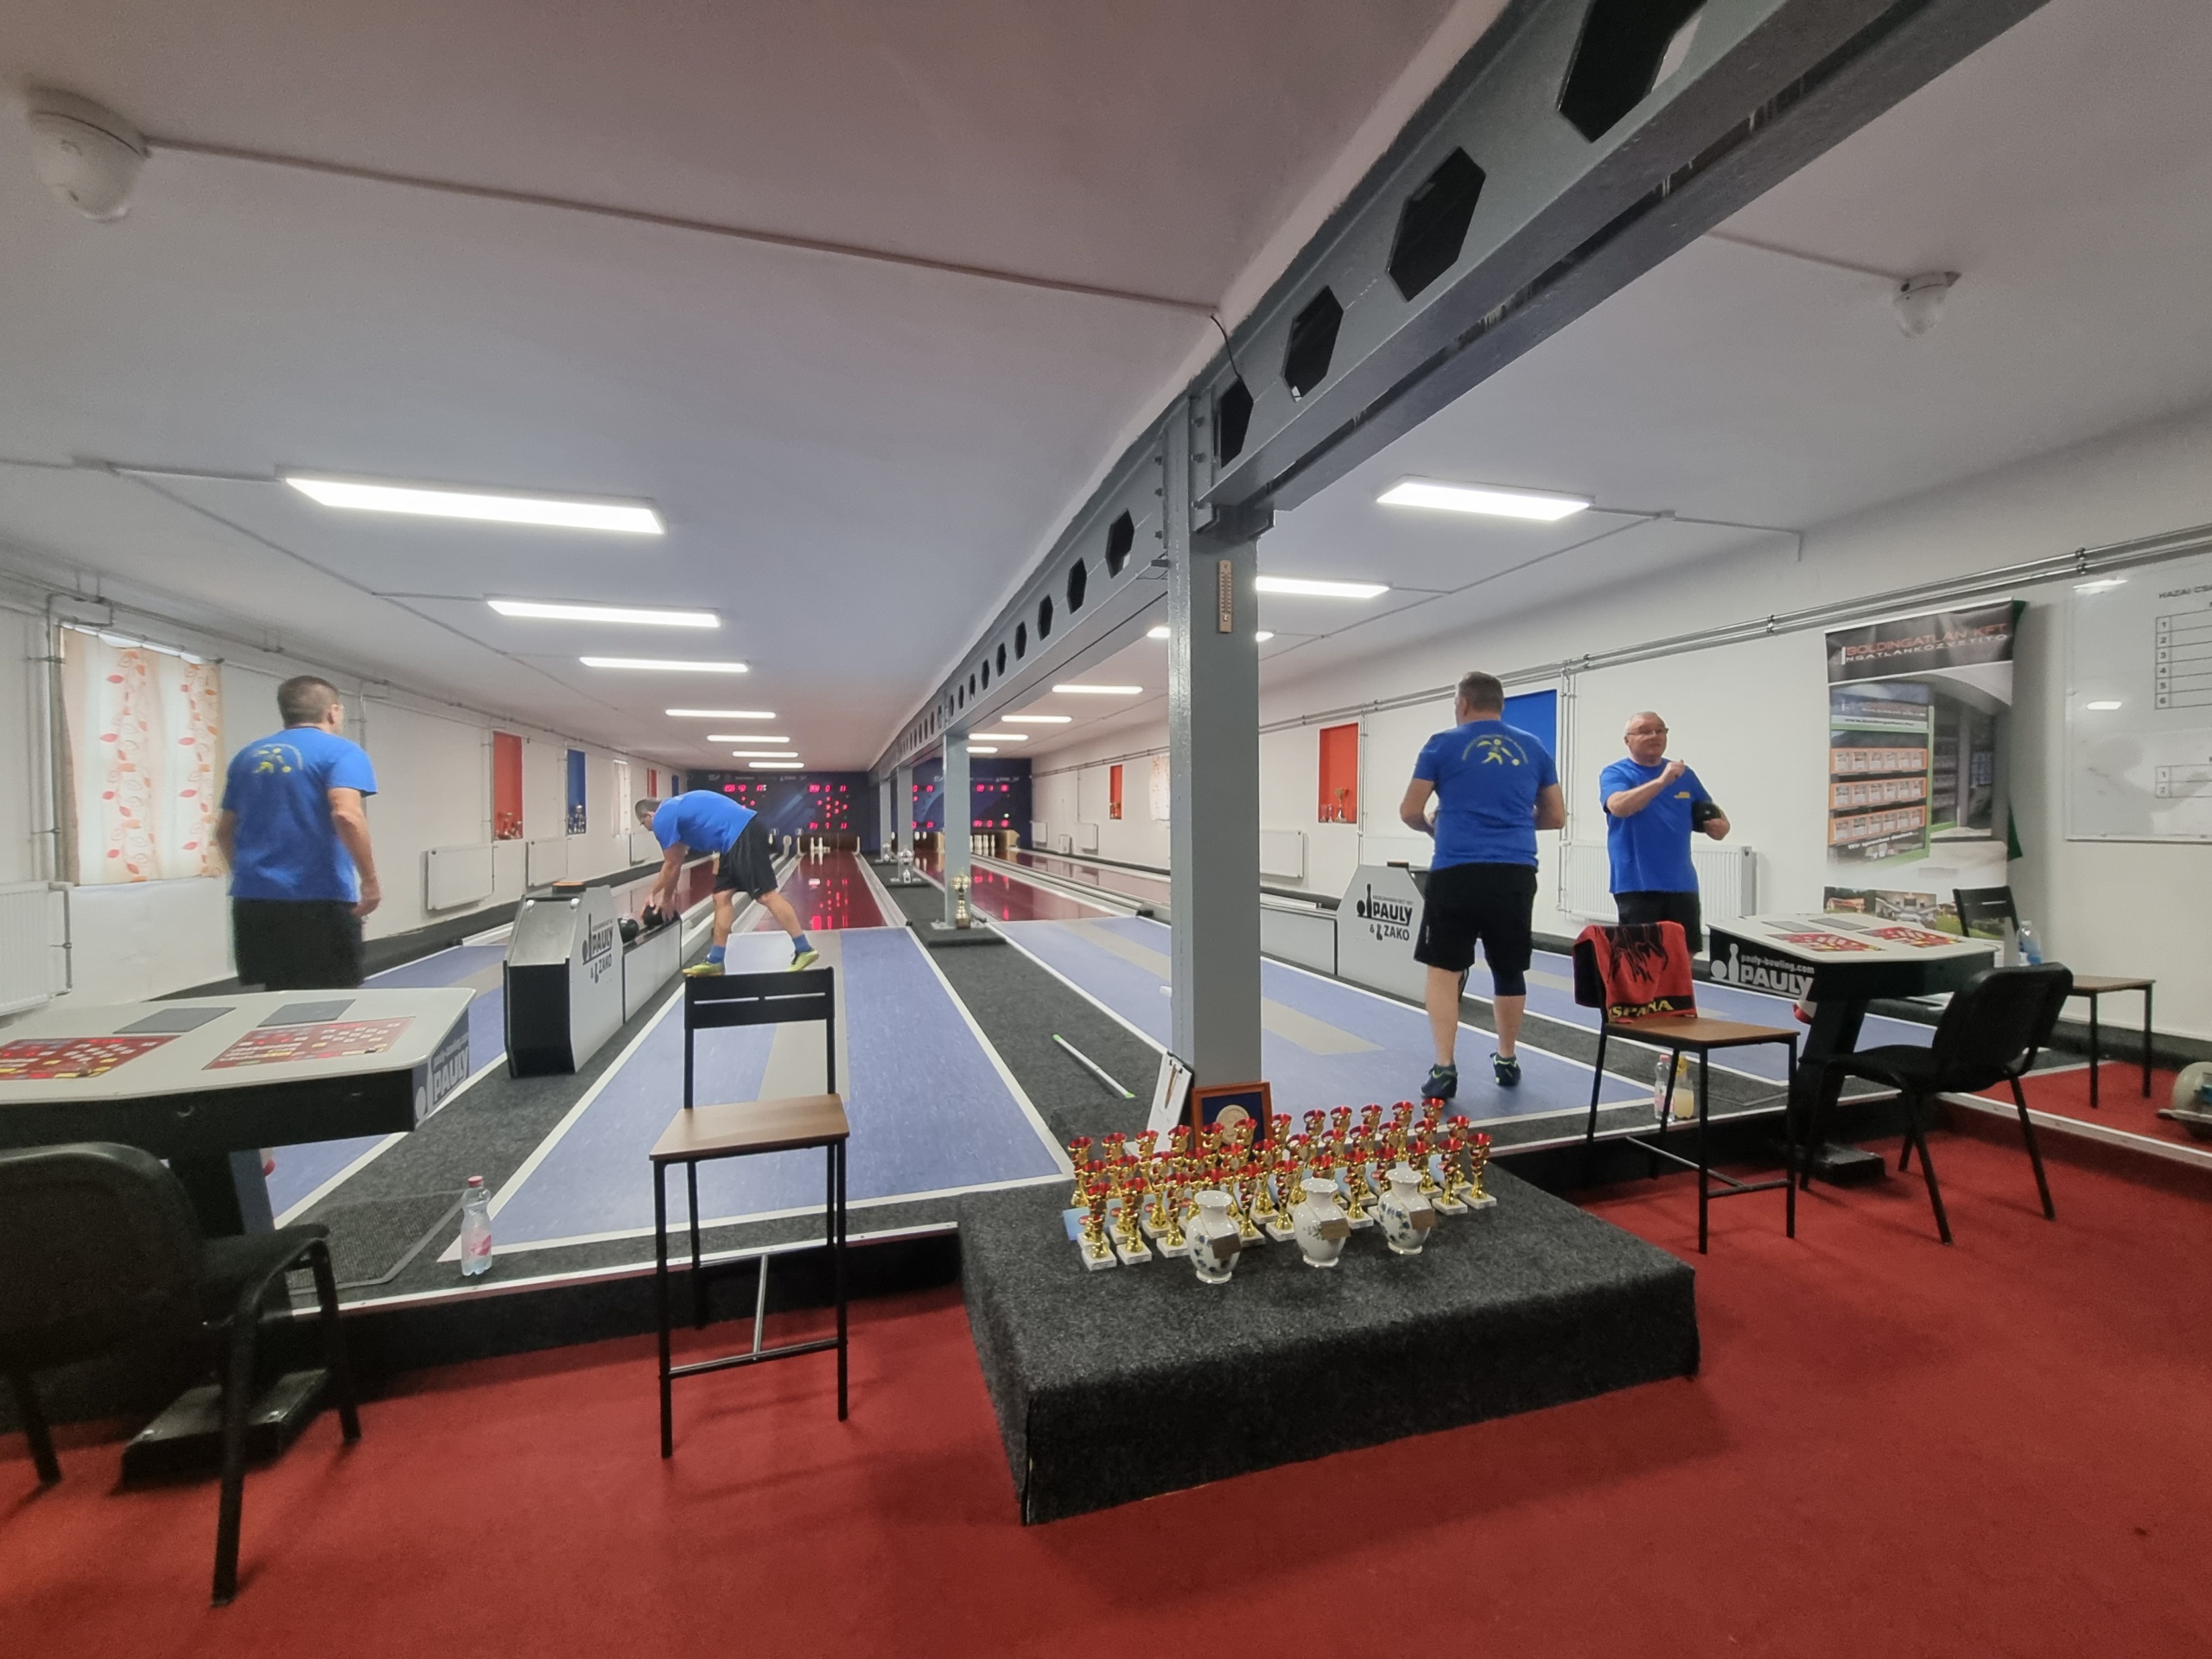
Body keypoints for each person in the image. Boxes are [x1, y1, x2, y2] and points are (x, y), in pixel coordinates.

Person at [1398, 671, 1565, 1100]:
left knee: (1444, 970)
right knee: (1509, 968)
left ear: (1463, 704)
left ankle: (1444, 1068)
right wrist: (1512, 821)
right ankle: (1507, 1058)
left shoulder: (1441, 744)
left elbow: (1410, 810)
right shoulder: (1534, 747)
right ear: (1500, 705)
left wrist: (1433, 827)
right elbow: (1555, 817)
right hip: (1514, 872)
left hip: (1457, 871)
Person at [216, 675, 382, 991]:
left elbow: (224, 832)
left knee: (278, 996)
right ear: (333, 712)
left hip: (254, 902)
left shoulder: (246, 757)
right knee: (330, 998)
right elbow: (346, 814)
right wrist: (370, 881)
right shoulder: (342, 752)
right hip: (319, 899)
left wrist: (252, 876)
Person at [637, 792, 817, 974]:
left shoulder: (663, 817)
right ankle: (715, 961)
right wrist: (665, 896)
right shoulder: (674, 808)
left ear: (649, 815)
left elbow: (671, 864)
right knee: (721, 896)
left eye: (644, 824)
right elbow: (676, 860)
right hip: (732, 839)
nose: (647, 829)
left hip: (741, 833)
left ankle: (804, 949)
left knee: (765, 895)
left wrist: (660, 896)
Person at [1600, 710, 1729, 954]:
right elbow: (1618, 806)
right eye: (1645, 731)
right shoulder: (1616, 773)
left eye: (1660, 730)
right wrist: (1662, 781)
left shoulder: (1685, 775)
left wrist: (1720, 826)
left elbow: (1717, 819)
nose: (1654, 735)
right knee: (1640, 959)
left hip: (1681, 882)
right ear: (1627, 740)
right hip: (1638, 883)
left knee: (1684, 954)